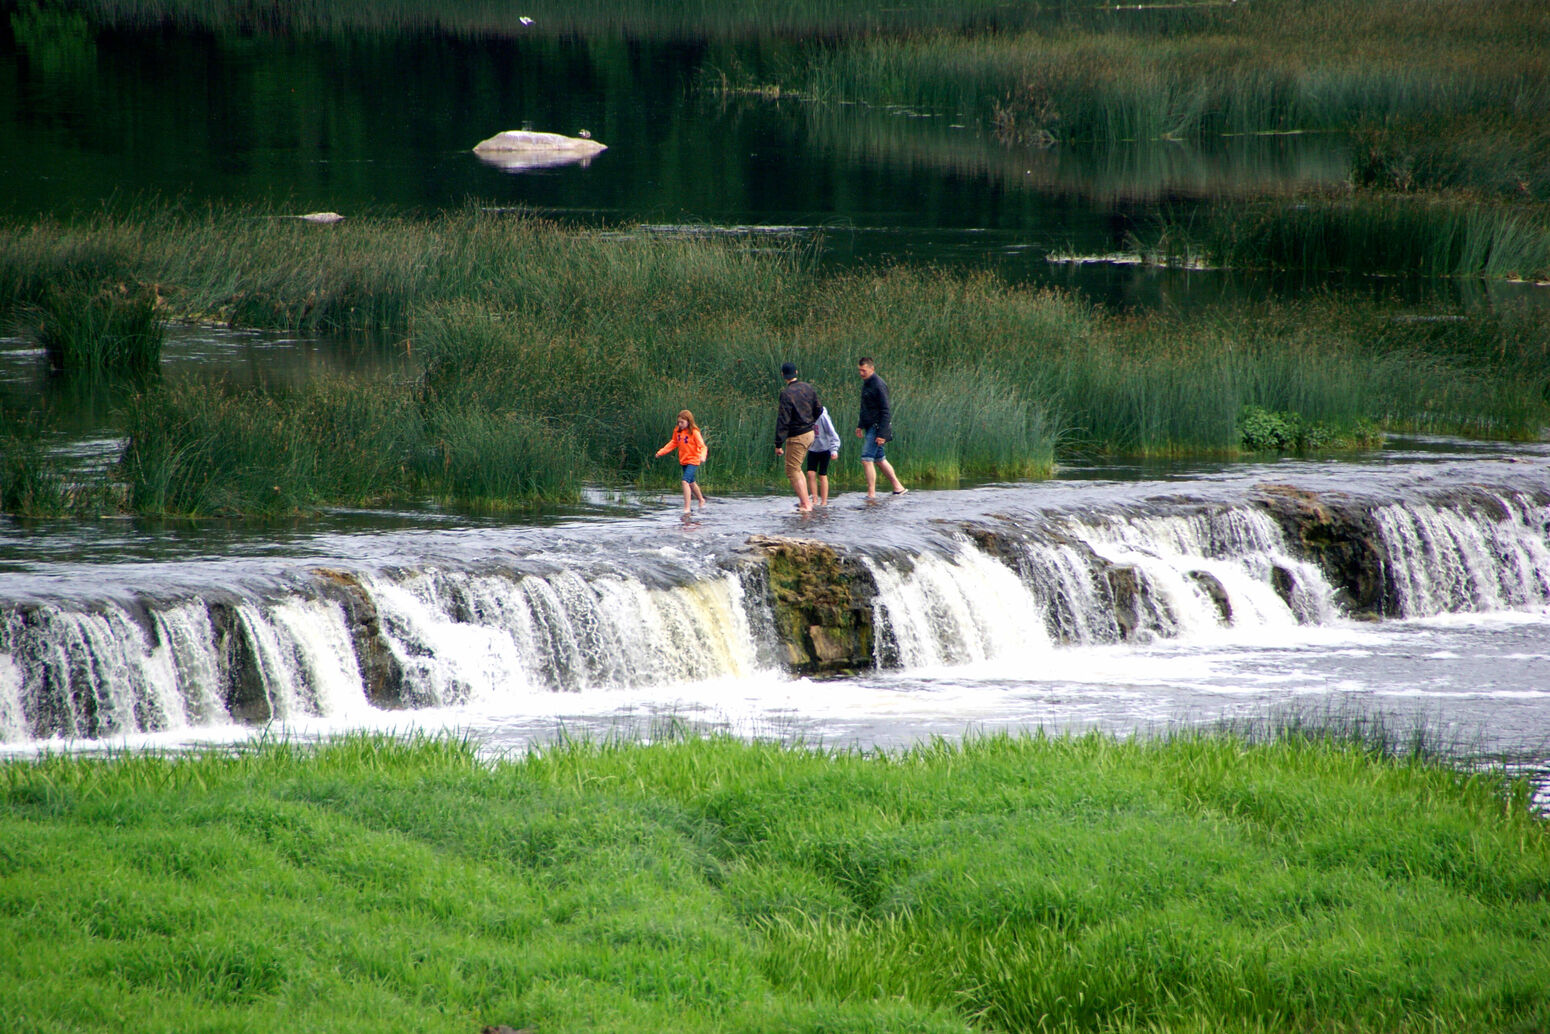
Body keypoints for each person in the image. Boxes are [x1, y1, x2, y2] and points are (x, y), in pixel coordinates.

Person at [856, 356, 906, 498]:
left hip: (877, 427)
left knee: (866, 459)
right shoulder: (866, 384)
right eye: (859, 370)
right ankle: (898, 487)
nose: (861, 373)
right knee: (880, 459)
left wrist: (882, 434)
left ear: (872, 369)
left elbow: (886, 410)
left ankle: (871, 493)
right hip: (869, 425)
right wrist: (860, 425)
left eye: (863, 370)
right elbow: (865, 407)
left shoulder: (879, 385)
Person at [774, 361, 820, 513]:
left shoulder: (786, 394)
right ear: (796, 372)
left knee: (792, 470)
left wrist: (778, 443)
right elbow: (819, 409)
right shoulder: (808, 387)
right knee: (797, 468)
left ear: (783, 375)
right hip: (810, 433)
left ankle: (806, 504)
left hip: (797, 436)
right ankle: (804, 502)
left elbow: (783, 419)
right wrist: (810, 421)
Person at [655, 409, 708, 514]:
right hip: (683, 460)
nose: (680, 424)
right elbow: (673, 442)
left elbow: (702, 446)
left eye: (682, 422)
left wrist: (702, 456)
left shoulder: (694, 432)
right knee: (691, 483)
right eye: (678, 422)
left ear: (688, 421)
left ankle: (687, 508)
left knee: (685, 482)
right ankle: (701, 499)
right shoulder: (677, 430)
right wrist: (661, 452)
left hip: (693, 460)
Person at [805, 404, 841, 506]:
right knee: (811, 474)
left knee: (822, 475)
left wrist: (834, 450)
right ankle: (815, 499)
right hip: (812, 448)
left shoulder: (822, 417)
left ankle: (824, 501)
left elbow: (832, 433)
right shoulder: (805, 416)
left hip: (825, 449)